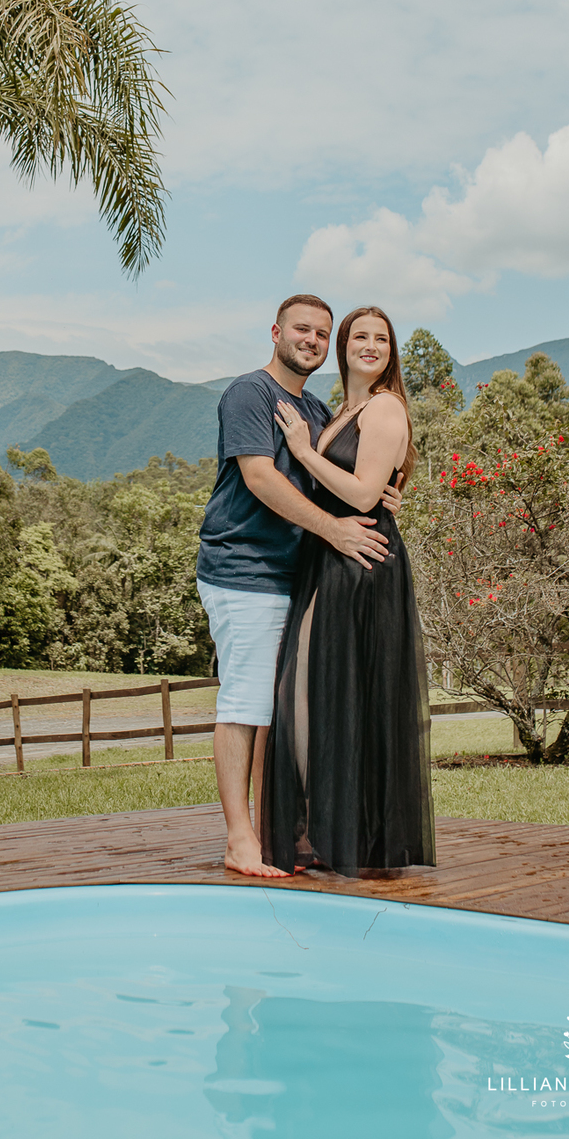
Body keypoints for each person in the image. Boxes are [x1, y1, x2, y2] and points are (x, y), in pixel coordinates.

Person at [196, 295, 401, 877]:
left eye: (320, 333)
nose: (310, 339)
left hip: (299, 576)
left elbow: (332, 475)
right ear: (276, 332)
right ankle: (240, 839)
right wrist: (335, 529)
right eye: (301, 329)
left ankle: (279, 835)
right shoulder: (250, 394)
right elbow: (260, 478)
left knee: (285, 711)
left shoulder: (312, 407)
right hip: (245, 570)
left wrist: (387, 492)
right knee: (248, 704)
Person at [261, 304, 436, 877]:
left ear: (391, 351)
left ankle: (344, 835)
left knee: (332, 694)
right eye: (359, 336)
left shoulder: (384, 405)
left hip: (360, 561)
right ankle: (325, 829)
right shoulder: (347, 408)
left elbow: (362, 496)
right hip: (330, 559)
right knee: (318, 692)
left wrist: (307, 451)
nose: (370, 345)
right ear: (344, 347)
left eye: (380, 338)